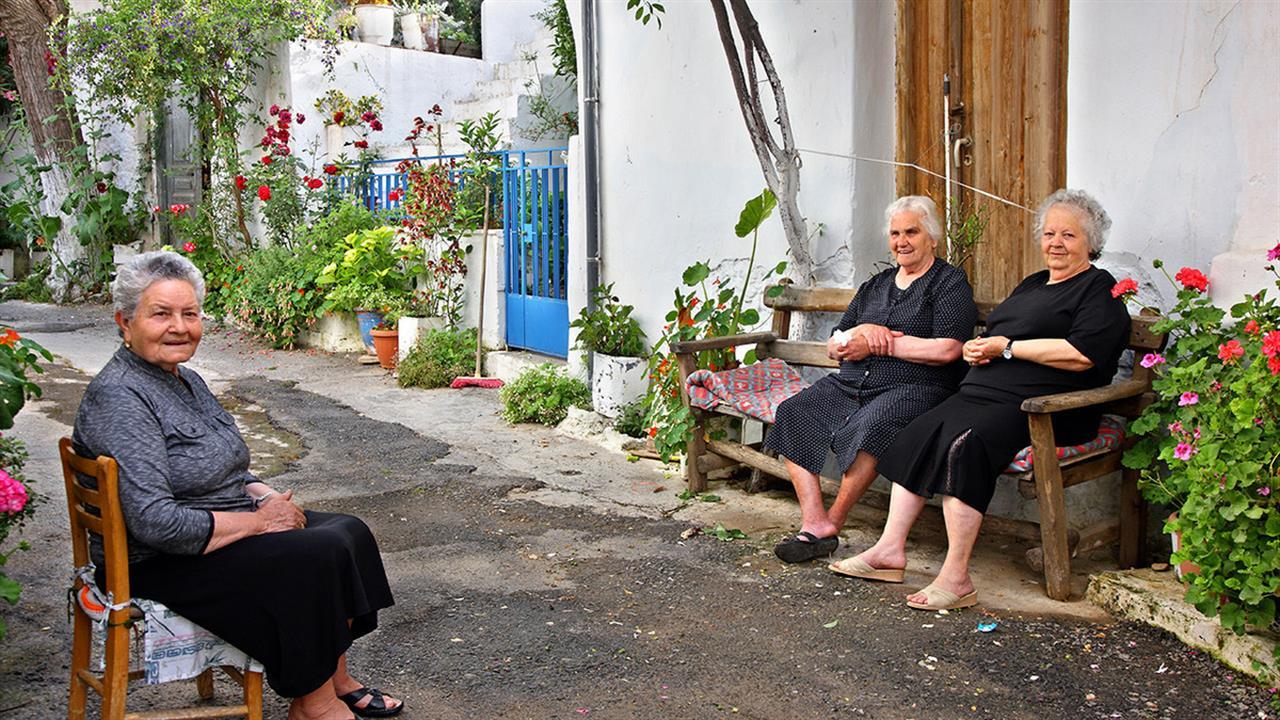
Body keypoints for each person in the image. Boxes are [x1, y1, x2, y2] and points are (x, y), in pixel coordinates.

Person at [72, 251, 402, 720]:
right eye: (161, 313)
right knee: (313, 557)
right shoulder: (121, 396)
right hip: (160, 561)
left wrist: (263, 496)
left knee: (348, 532)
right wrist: (258, 524)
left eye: (189, 314)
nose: (179, 326)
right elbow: (153, 522)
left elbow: (225, 467)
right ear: (125, 322)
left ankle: (335, 677)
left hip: (215, 530)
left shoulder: (183, 379)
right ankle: (315, 702)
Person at [832, 188, 1131, 610]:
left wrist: (1007, 348)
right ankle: (888, 551)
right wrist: (979, 347)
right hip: (983, 393)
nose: (1056, 244)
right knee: (918, 432)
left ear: (1091, 244)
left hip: (1045, 407)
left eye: (1069, 235)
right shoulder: (1033, 284)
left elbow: (1081, 356)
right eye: (1049, 234)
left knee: (965, 445)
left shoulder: (1098, 291)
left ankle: (956, 578)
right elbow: (1000, 336)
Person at [766, 196, 978, 563]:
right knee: (794, 411)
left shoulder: (948, 283)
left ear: (933, 237)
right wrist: (860, 333)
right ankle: (814, 520)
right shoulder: (876, 285)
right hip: (851, 383)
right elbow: (837, 341)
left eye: (912, 231)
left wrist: (884, 344)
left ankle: (832, 522)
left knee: (874, 426)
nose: (902, 241)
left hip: (916, 387)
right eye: (895, 233)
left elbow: (948, 349)